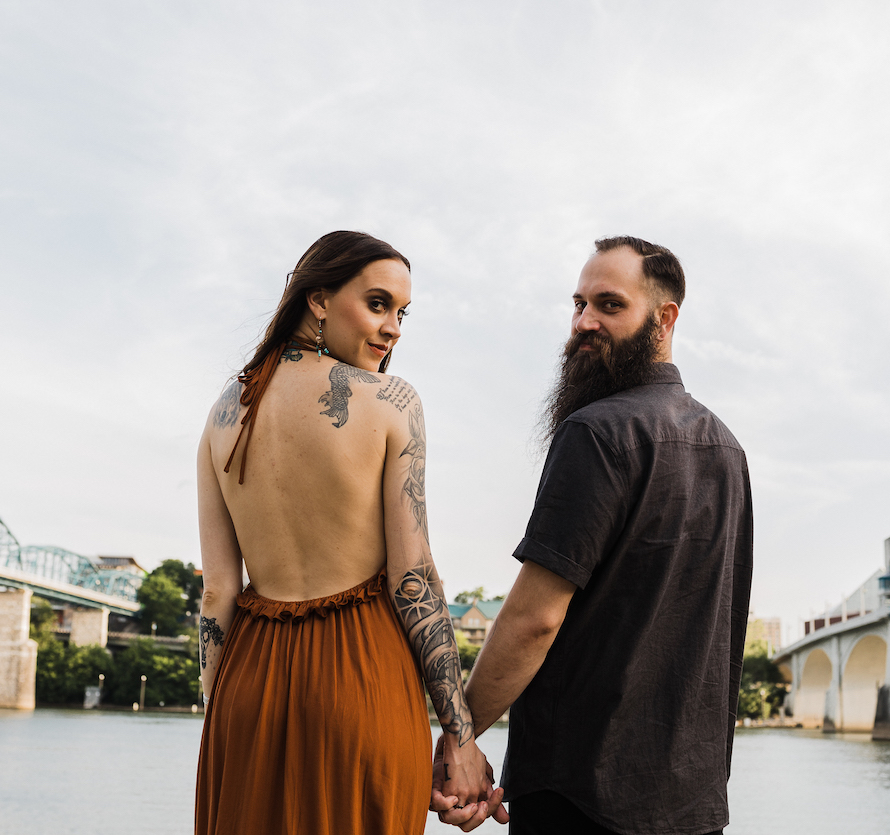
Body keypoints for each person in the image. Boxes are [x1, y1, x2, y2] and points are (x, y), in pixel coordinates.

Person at [194, 230, 504, 835]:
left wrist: (220, 716)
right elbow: (412, 575)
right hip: (361, 676)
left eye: (401, 314)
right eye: (378, 304)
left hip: (248, 685)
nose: (393, 329)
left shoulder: (223, 414)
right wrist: (459, 738)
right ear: (319, 299)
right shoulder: (391, 403)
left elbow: (217, 592)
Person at [446, 236, 754, 835]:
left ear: (664, 319)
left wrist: (460, 736)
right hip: (691, 803)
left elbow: (534, 618)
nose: (584, 322)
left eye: (609, 305)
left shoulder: (596, 432)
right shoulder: (728, 449)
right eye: (579, 303)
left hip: (581, 795)